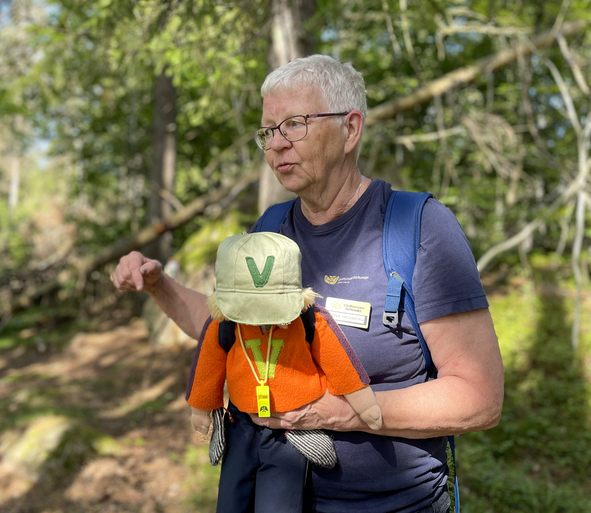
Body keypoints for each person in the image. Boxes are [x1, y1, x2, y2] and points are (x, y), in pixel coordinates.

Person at [111, 54, 504, 513]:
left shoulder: (417, 228)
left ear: (350, 129)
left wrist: (340, 410)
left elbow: (478, 397)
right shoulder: (270, 229)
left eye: (293, 124)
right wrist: (160, 284)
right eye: (268, 131)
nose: (276, 145)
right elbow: (227, 329)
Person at [186, 232, 383, 512]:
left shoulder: (307, 320)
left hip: (290, 430)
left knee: (279, 502)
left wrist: (364, 402)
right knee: (232, 498)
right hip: (240, 423)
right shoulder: (225, 324)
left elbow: (338, 361)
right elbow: (209, 365)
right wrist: (201, 407)